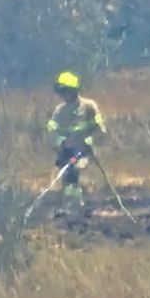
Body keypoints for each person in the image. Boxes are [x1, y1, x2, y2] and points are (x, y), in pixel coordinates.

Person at [46, 70, 106, 215]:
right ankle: (71, 205)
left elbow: (101, 130)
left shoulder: (89, 107)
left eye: (65, 91)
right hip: (66, 152)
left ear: (73, 91)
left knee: (73, 168)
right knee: (63, 176)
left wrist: (88, 141)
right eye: (60, 92)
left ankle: (75, 207)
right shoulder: (60, 111)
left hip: (82, 153)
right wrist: (61, 142)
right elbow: (51, 131)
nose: (62, 95)